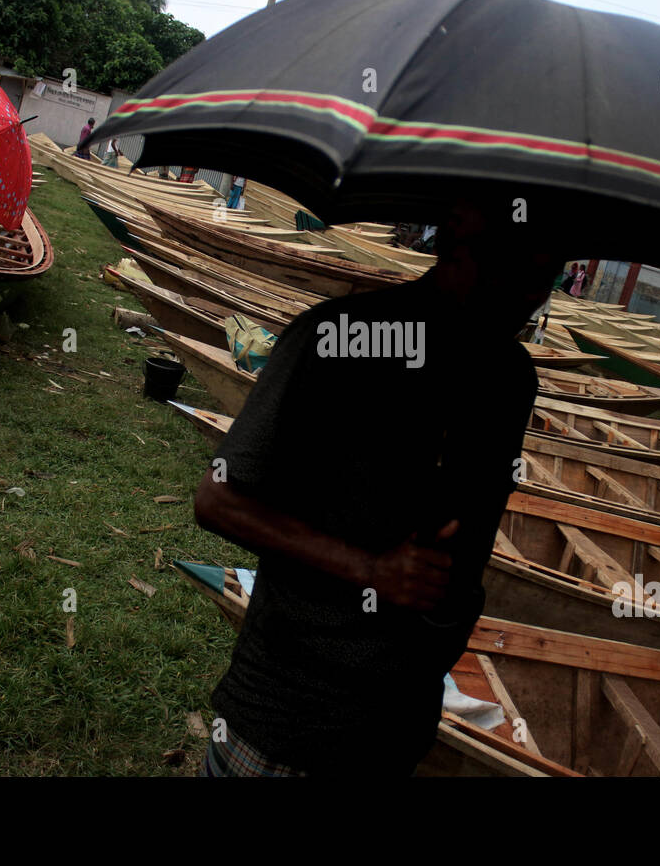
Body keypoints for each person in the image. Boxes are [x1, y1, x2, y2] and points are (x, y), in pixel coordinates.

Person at [193, 199, 567, 777]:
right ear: (451, 242)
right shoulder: (339, 339)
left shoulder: (510, 379)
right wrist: (371, 570)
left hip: (397, 729)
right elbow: (218, 499)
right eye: (512, 271)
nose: (526, 298)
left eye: (543, 282)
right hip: (288, 717)